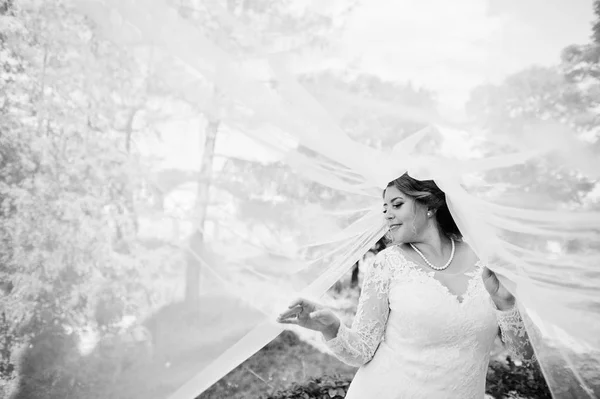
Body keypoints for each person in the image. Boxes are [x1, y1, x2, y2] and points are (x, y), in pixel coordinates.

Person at [277, 173, 534, 399]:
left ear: (429, 206)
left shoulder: (486, 261)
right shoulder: (387, 264)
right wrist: (331, 328)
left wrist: (506, 304)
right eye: (385, 207)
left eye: (397, 204)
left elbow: (523, 353)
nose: (387, 214)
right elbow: (362, 351)